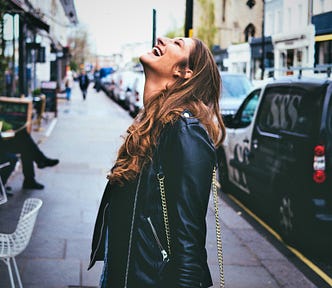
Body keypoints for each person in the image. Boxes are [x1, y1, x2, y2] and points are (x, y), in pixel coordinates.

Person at [89, 36, 226, 288]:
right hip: (123, 271)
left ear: (184, 71)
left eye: (177, 44)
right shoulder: (153, 123)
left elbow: (189, 240)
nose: (162, 39)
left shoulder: (185, 131)